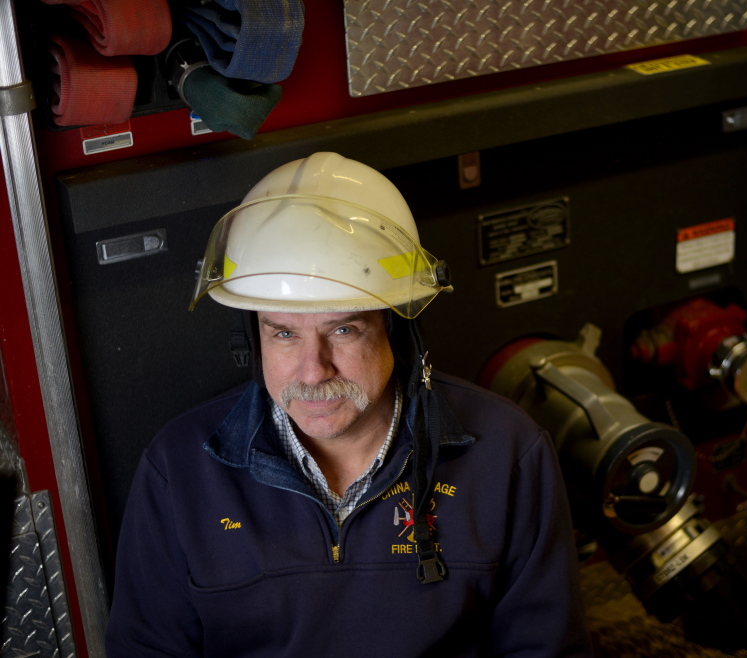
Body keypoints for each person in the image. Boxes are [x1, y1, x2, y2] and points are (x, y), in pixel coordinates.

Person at [105, 152, 592, 657]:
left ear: (397, 331)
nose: (314, 371)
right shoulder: (180, 470)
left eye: (344, 329)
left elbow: (547, 649)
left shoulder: (507, 454)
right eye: (284, 334)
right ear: (252, 338)